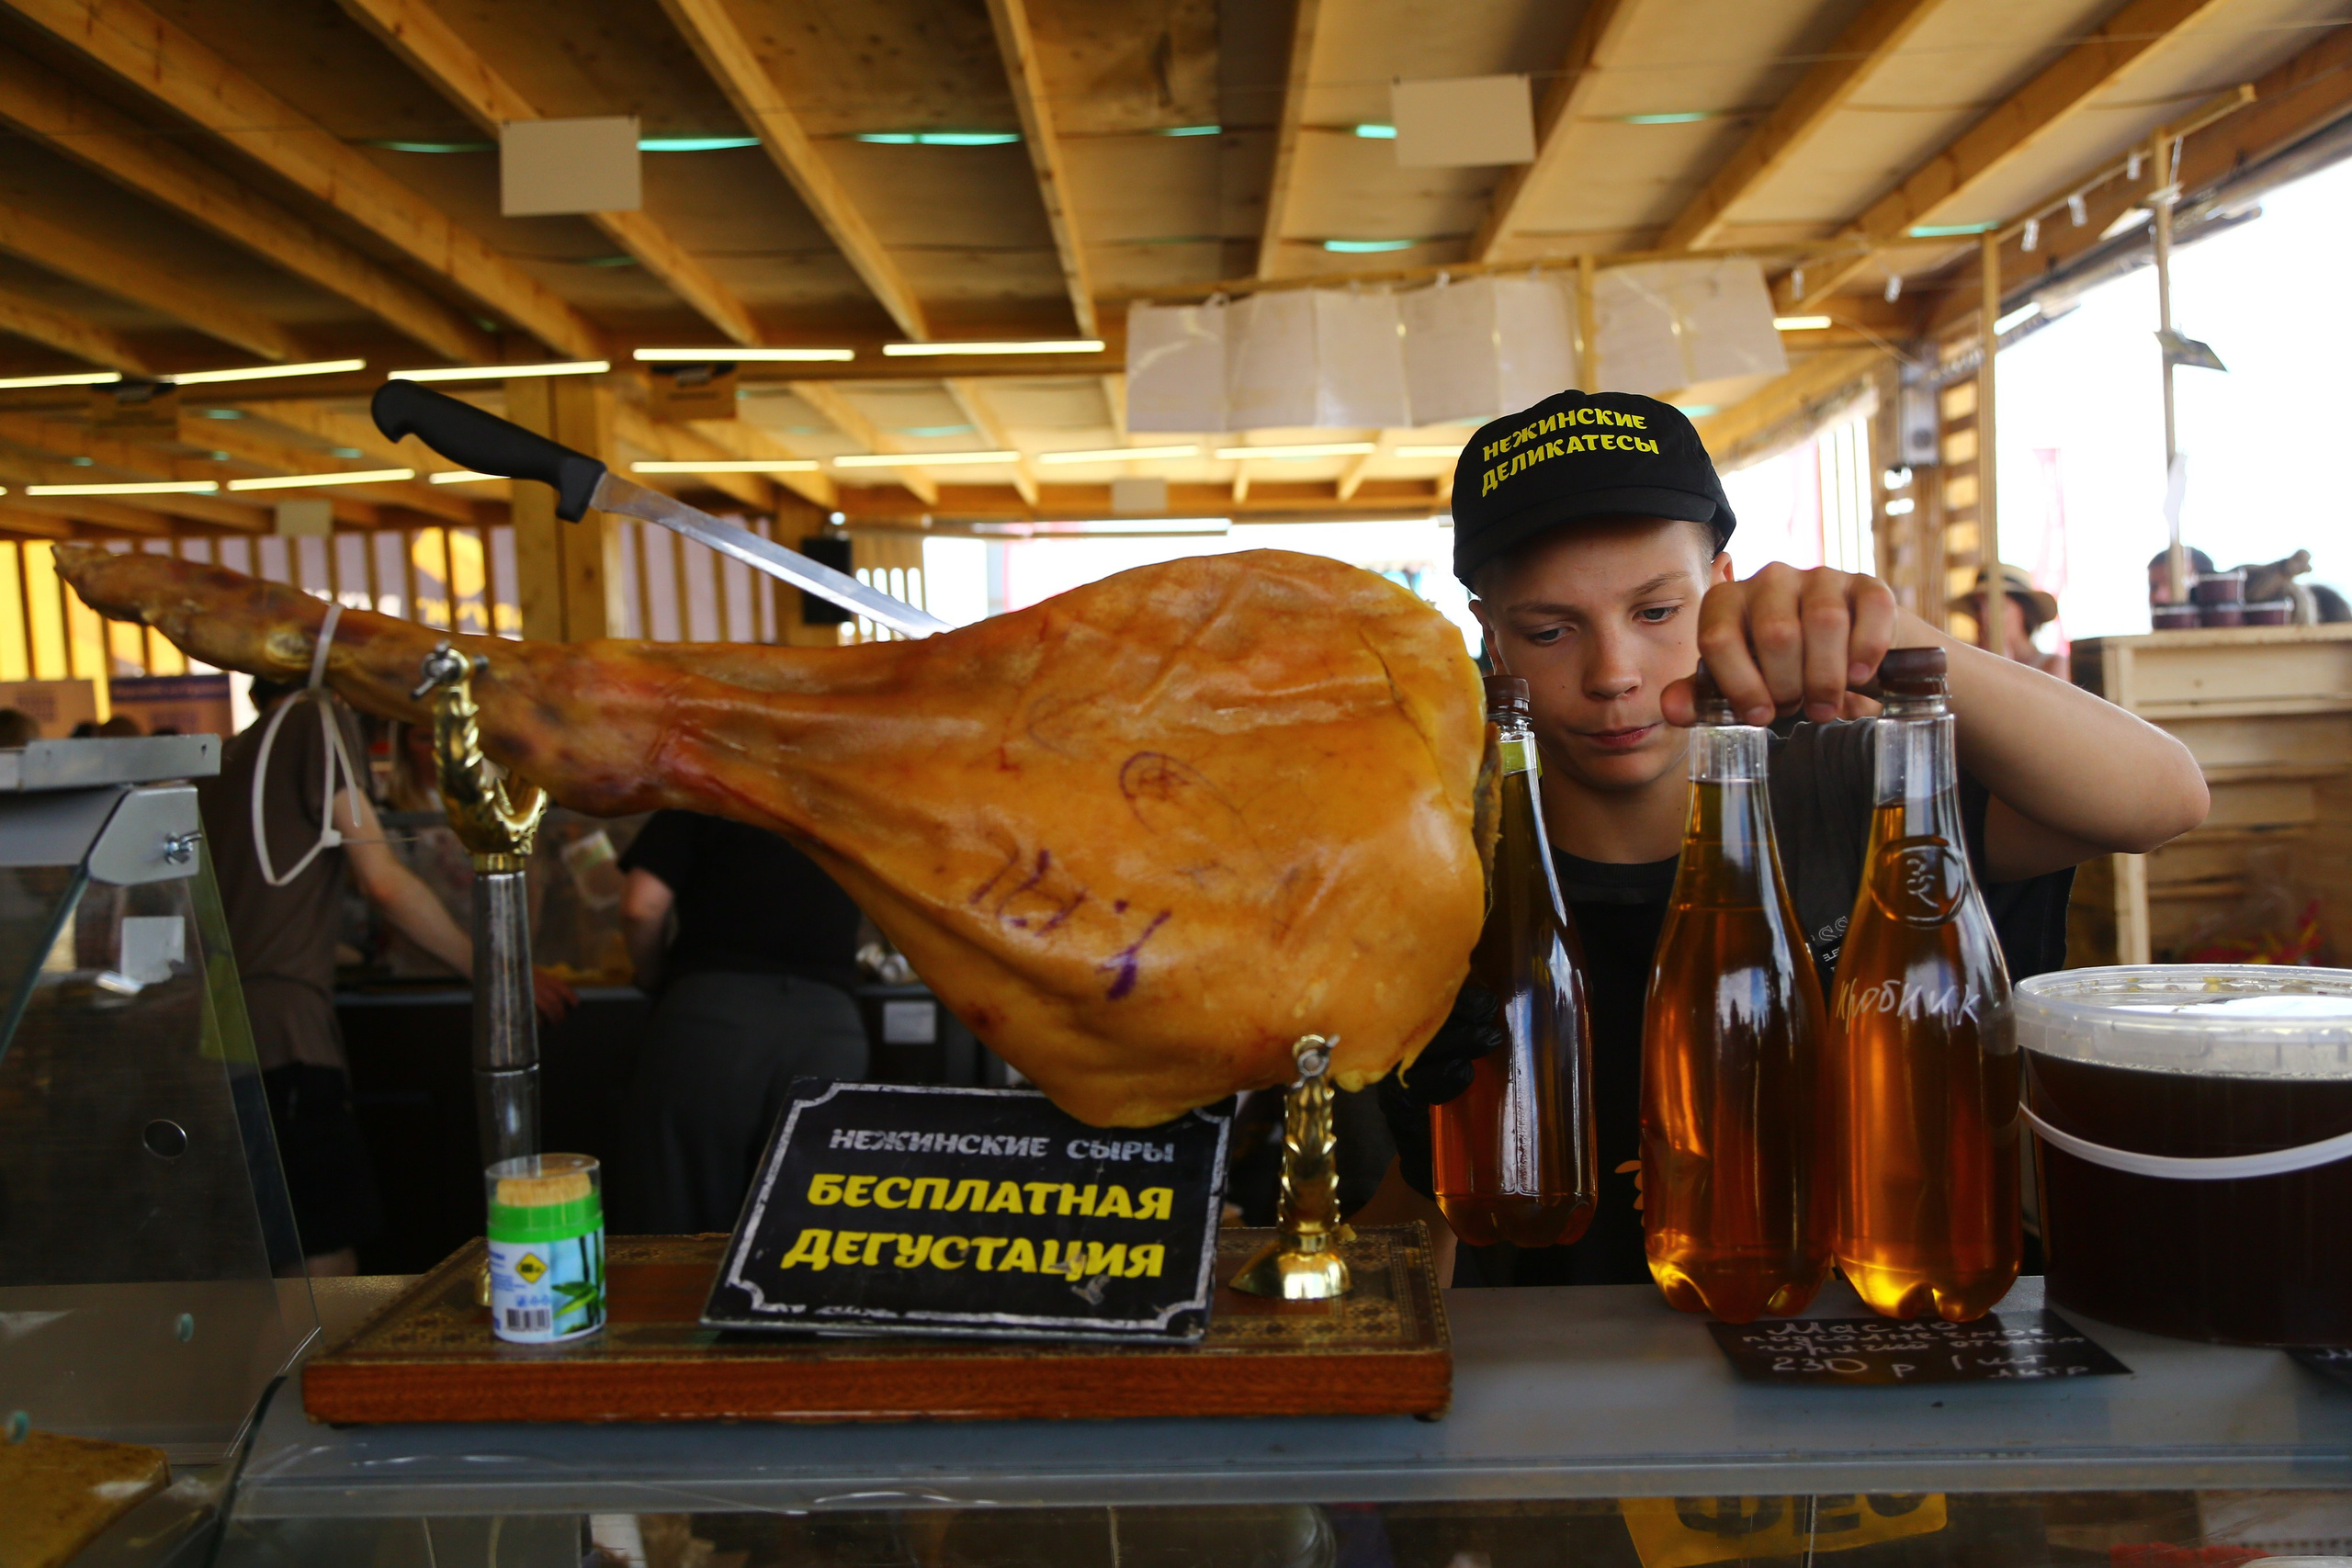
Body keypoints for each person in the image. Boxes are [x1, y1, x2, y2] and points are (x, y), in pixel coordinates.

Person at [1378, 389, 2210, 1289]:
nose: (1613, 675)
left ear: (1724, 592)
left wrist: (1890, 638)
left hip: (1857, 1355)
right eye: (1548, 630)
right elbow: (1392, 1245)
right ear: (1488, 640)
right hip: (1556, 1382)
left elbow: (2157, 799)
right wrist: (1441, 1144)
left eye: (1657, 613)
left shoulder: (1850, 788)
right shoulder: (1432, 863)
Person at [198, 677, 575, 1275]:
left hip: (223, 1033)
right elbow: (381, 878)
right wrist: (498, 975)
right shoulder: (316, 716)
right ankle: (321, 1372)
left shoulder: (231, 755)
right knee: (322, 1252)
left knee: (273, 1252)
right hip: (286, 1037)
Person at [613, 810, 869, 1234]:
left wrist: (652, 975)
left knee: (678, 1224)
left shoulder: (702, 796)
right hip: (830, 1026)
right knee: (810, 1225)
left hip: (711, 1026)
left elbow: (641, 906)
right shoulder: (843, 802)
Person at [1951, 562, 2064, 677]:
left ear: (2024, 610)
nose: (1983, 616)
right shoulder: (1967, 661)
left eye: (1997, 606)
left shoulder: (2053, 665)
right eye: (1977, 607)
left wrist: (2004, 668)